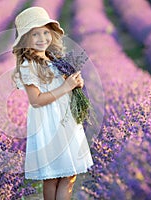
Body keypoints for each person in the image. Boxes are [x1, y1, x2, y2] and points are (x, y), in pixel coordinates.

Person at [12, 7, 94, 200]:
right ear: (25, 40)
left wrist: (75, 84)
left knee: (69, 174)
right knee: (52, 176)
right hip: (49, 126)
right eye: (35, 34)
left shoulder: (53, 60)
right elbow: (36, 100)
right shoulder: (28, 66)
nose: (42, 38)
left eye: (46, 32)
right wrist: (65, 87)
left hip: (65, 122)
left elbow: (63, 87)